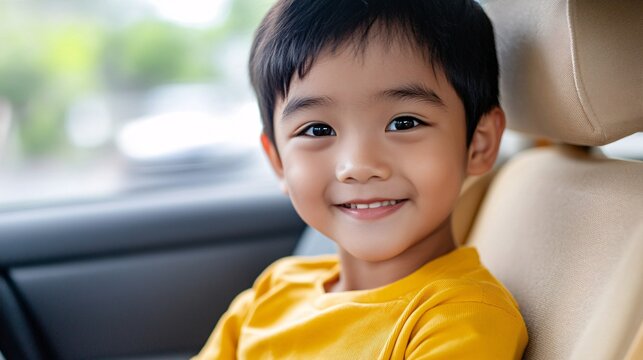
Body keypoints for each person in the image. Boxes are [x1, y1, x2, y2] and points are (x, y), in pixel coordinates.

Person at [195, 0, 528, 358]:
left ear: (478, 144)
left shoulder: (460, 318)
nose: (358, 164)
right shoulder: (273, 291)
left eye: (404, 123)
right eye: (317, 129)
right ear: (277, 161)